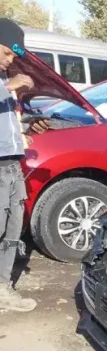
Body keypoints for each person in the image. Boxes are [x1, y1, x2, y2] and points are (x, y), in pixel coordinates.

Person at [0, 19, 50, 312]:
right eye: (6, 53)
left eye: (14, 57)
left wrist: (31, 129)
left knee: (12, 230)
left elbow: (8, 128)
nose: (10, 60)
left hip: (11, 166)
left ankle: (3, 289)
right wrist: (10, 86)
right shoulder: (7, 84)